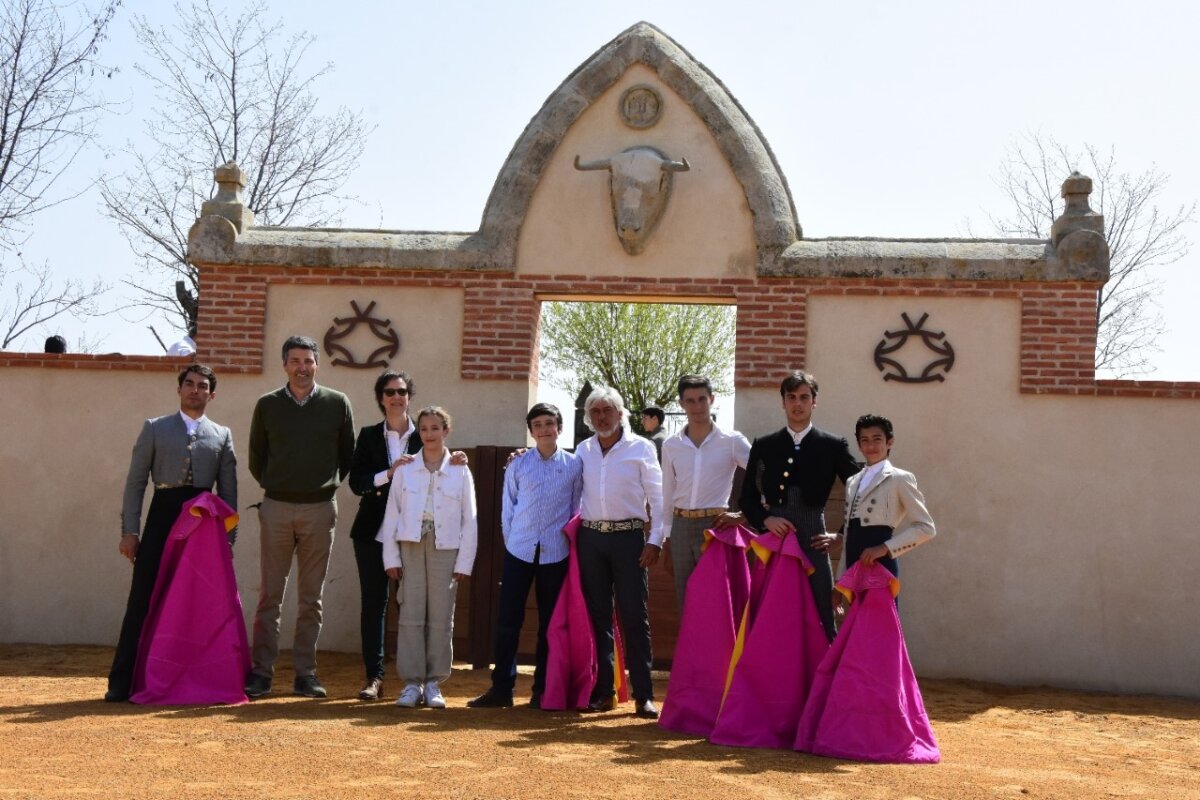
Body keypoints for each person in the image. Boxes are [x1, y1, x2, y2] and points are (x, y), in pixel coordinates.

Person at [106, 364, 237, 702]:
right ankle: (122, 682)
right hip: (162, 516)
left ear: (212, 394)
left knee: (195, 602)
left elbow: (229, 494)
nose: (195, 390)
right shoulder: (154, 428)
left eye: (202, 386)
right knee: (144, 598)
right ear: (179, 390)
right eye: (189, 384)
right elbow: (135, 484)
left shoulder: (221, 435)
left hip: (203, 525)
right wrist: (130, 531)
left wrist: (227, 540)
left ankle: (189, 678)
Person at [245, 335, 354, 699]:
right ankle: (261, 673)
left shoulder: (337, 404)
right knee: (269, 596)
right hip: (275, 507)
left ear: (317, 364)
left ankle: (305, 675)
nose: (302, 367)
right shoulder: (267, 405)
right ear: (284, 365)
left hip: (320, 509)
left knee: (311, 598)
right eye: (295, 360)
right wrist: (280, 487)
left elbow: (347, 456)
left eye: (308, 360)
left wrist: (320, 488)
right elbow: (256, 458)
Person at [348, 371, 468, 701]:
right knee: (375, 604)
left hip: (417, 533)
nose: (396, 396)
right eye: (389, 392)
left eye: (401, 391)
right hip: (373, 529)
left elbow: (442, 465)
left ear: (409, 396)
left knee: (418, 605)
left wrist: (459, 458)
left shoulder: (426, 431)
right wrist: (389, 473)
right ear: (381, 398)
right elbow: (356, 481)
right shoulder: (369, 435)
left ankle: (420, 681)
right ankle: (375, 677)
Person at [468, 402, 583, 710]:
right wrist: (513, 543)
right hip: (519, 550)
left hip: (556, 553)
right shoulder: (518, 464)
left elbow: (576, 509)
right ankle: (501, 688)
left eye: (549, 423)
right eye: (538, 425)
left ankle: (543, 690)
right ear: (531, 431)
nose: (544, 429)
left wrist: (568, 546)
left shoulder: (574, 465)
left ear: (559, 426)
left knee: (550, 624)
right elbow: (508, 508)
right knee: (508, 621)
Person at [738, 371, 857, 641]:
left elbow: (860, 491)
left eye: (804, 397)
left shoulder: (832, 445)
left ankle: (823, 682)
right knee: (770, 614)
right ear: (783, 402)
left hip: (814, 535)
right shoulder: (765, 445)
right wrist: (766, 520)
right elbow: (747, 497)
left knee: (823, 614)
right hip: (775, 538)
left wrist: (840, 534)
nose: (797, 404)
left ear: (814, 402)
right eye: (791, 397)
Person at [378, 406, 477, 709]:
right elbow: (392, 513)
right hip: (410, 544)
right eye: (424, 429)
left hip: (446, 547)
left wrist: (464, 562)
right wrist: (390, 557)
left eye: (436, 428)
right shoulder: (406, 469)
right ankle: (411, 683)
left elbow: (469, 519)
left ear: (446, 431)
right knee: (410, 613)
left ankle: (433, 682)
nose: (429, 434)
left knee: (441, 615)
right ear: (418, 433)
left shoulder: (460, 469)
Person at [576, 386, 663, 719]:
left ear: (621, 413)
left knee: (633, 616)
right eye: (595, 412)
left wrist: (655, 540)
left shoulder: (641, 448)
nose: (601, 417)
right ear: (588, 417)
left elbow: (658, 498)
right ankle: (605, 691)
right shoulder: (582, 450)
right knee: (599, 617)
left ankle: (644, 695)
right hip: (591, 538)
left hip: (629, 539)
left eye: (607, 411)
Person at [660, 375, 750, 608]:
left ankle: (719, 646)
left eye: (702, 399)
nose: (697, 406)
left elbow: (764, 476)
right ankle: (689, 647)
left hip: (715, 526)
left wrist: (745, 514)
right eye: (690, 401)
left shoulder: (732, 441)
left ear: (712, 399)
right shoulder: (671, 445)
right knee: (685, 598)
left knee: (715, 599)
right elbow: (668, 490)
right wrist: (667, 537)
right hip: (679, 526)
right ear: (681, 404)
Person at [812, 414, 935, 582]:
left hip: (881, 563)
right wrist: (840, 581)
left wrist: (884, 548)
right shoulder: (852, 481)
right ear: (859, 445)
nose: (871, 446)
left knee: (879, 609)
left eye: (877, 439)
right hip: (853, 562)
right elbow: (848, 533)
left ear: (889, 442)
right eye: (865, 440)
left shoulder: (899, 478)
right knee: (854, 609)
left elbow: (926, 528)